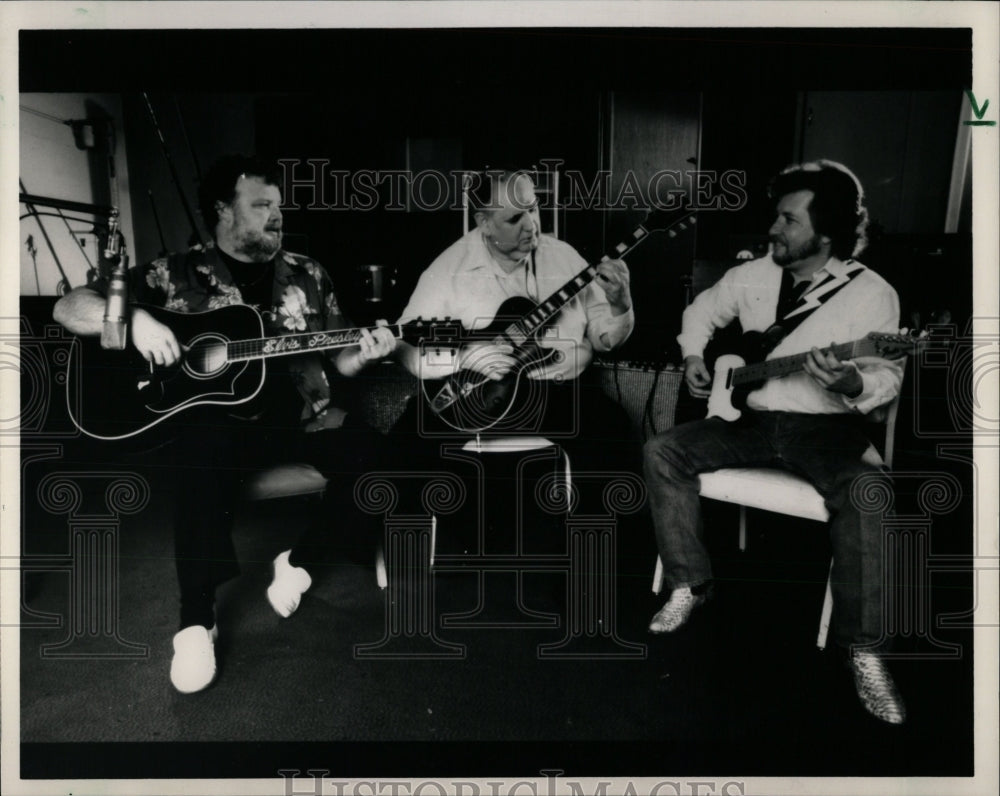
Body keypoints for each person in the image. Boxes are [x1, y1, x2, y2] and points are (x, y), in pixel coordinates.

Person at [53, 155, 396, 694]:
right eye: (262, 206)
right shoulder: (173, 273)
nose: (277, 217)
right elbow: (69, 307)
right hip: (222, 433)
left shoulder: (309, 274)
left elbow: (342, 356)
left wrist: (370, 354)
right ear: (223, 211)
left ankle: (299, 562)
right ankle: (195, 620)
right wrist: (134, 319)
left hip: (303, 419)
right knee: (201, 440)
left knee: (381, 456)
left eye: (278, 206)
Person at [643, 160, 908, 724]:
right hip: (751, 420)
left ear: (825, 232)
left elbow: (885, 383)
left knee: (869, 492)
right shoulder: (754, 275)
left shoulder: (873, 297)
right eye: (776, 218)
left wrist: (853, 381)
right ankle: (691, 583)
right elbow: (700, 312)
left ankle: (863, 649)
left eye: (789, 220)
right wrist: (695, 355)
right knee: (662, 450)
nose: (774, 229)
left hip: (826, 430)